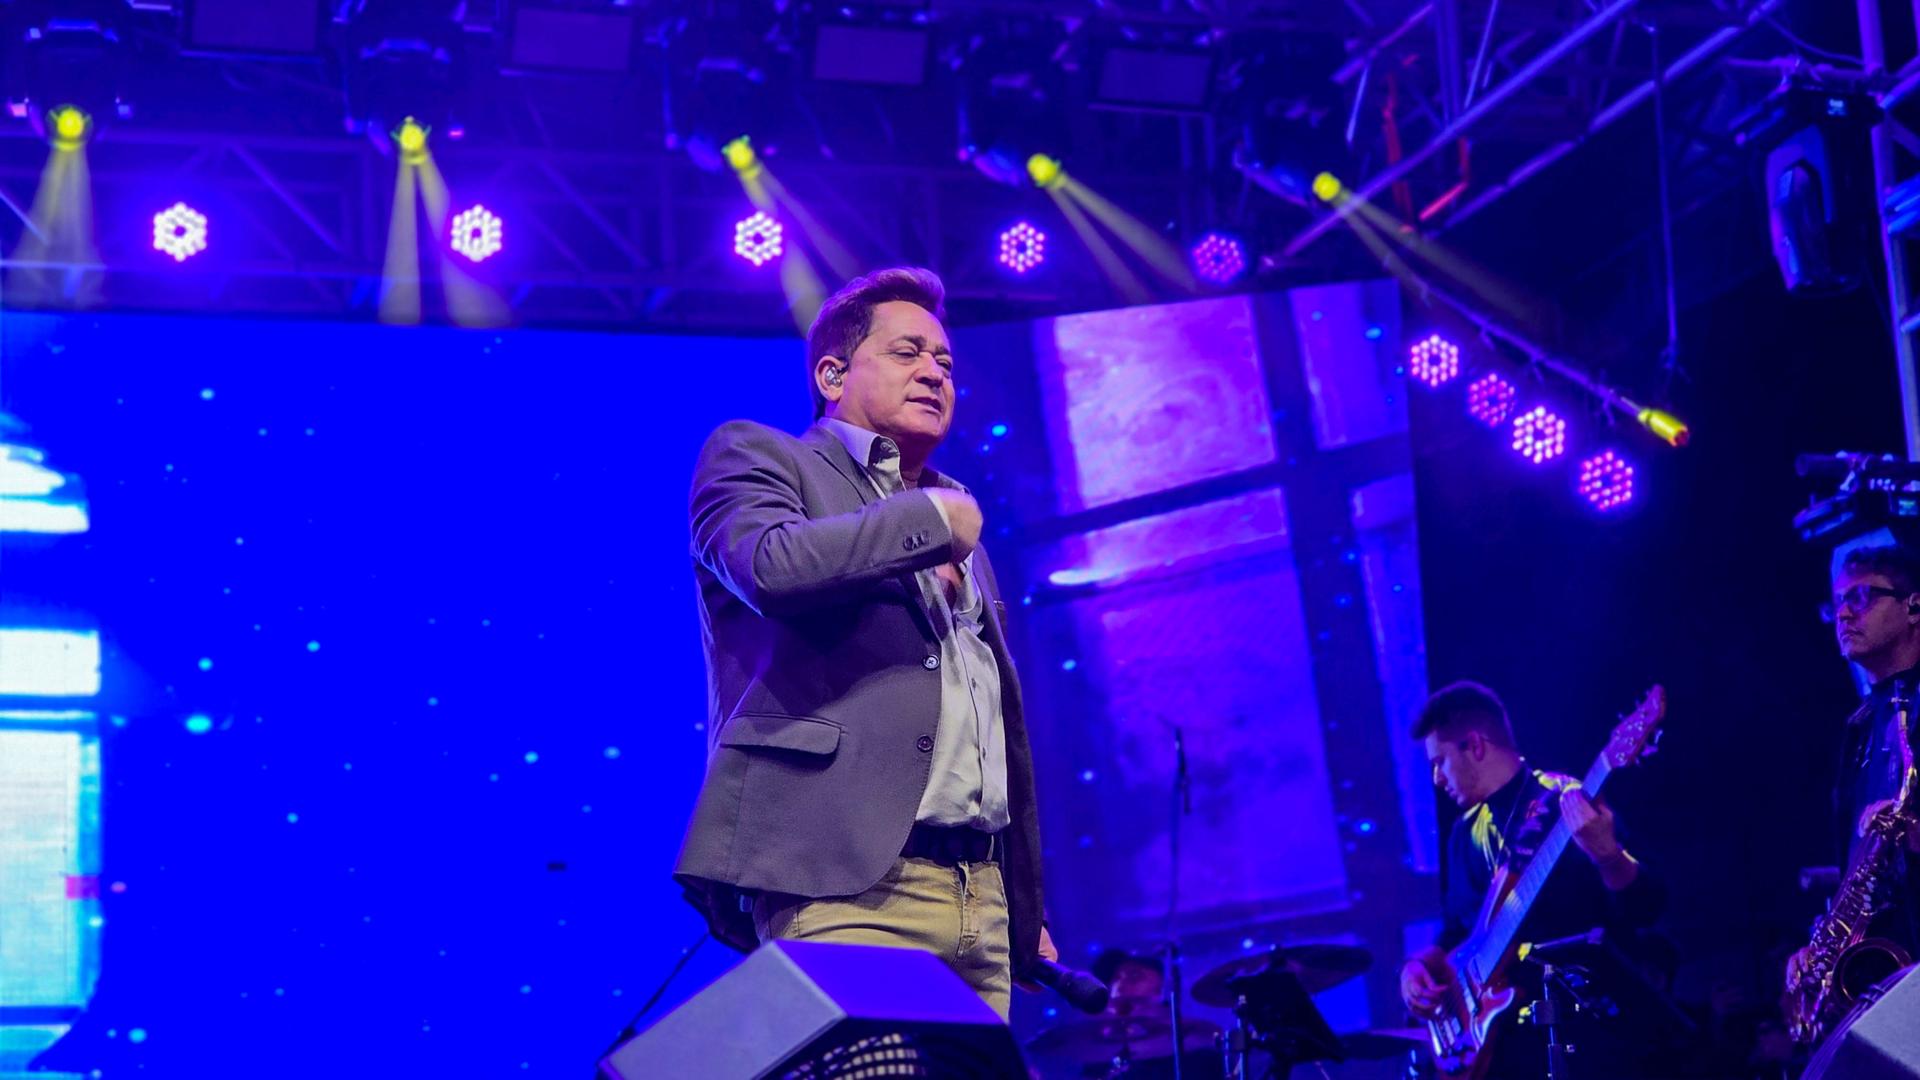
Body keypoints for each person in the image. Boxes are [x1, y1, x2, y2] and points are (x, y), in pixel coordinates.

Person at [673, 266, 1056, 1019]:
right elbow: (769, 566)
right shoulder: (759, 456)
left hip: (979, 902)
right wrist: (930, 521)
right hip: (845, 885)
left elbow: (985, 720)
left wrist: (1020, 897)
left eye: (945, 362)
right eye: (907, 352)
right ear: (832, 374)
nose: (935, 373)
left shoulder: (957, 519)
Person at [1398, 681, 1664, 1078]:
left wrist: (1609, 856)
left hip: (1584, 1037)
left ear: (1476, 745)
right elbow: (1456, 929)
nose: (1437, 778)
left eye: (1440, 761)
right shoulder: (1462, 834)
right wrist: (1417, 966)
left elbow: (1648, 908)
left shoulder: (1564, 801)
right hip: (1504, 1052)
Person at [1785, 544, 1920, 1022]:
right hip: (1894, 969)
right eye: (1838, 603)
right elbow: (1857, 866)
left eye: (1861, 597)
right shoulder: (1861, 725)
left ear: (1914, 606)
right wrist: (1826, 942)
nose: (1843, 614)